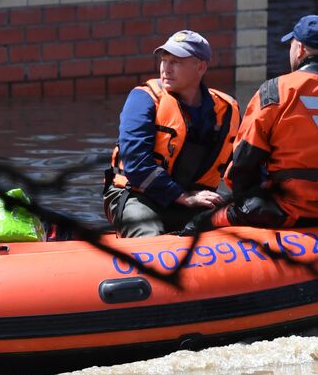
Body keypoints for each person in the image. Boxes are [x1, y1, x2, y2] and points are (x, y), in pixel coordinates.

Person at [189, 14, 318, 233]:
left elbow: (244, 160)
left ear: (299, 48)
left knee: (198, 223)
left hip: (282, 209)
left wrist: (248, 198)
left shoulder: (275, 91)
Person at [103, 29, 240, 238]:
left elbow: (242, 162)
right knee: (149, 235)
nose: (166, 69)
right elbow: (137, 165)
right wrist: (183, 197)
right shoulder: (144, 98)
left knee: (238, 224)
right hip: (136, 195)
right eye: (163, 60)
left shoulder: (227, 110)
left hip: (193, 197)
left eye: (176, 62)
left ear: (200, 67)